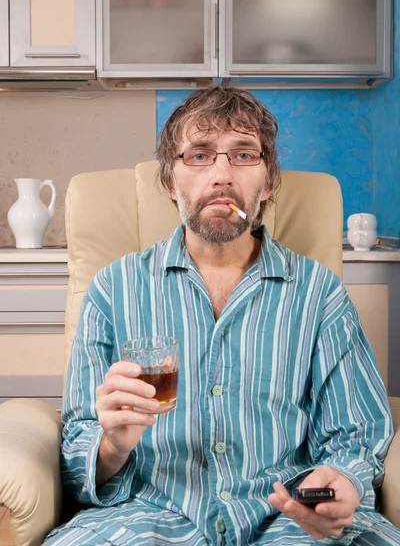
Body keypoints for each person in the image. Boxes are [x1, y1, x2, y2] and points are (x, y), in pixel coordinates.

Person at [44, 87, 399, 546]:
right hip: (148, 512)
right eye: (199, 155)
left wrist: (341, 487)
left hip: (287, 515)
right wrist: (112, 444)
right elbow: (77, 449)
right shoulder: (113, 290)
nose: (221, 175)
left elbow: (357, 431)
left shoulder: (319, 293)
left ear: (268, 181)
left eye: (244, 154)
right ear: (170, 183)